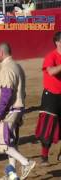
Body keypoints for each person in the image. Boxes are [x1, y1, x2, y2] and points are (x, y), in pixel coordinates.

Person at [0, 43, 35, 180]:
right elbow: (22, 92)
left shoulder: (7, 68)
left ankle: (26, 162)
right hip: (18, 108)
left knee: (0, 142)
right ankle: (12, 174)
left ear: (1, 53)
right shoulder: (17, 66)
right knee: (11, 142)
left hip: (10, 110)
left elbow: (6, 94)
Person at [35, 32, 61, 166]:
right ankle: (44, 157)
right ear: (57, 42)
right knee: (48, 127)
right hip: (51, 96)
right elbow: (51, 72)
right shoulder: (51, 56)